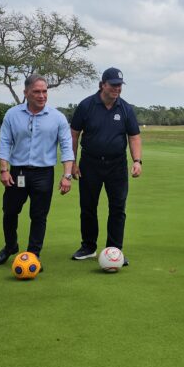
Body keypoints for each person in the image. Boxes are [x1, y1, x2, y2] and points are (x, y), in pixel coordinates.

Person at [0, 75, 75, 266]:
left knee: (38, 215)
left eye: (44, 91)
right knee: (10, 211)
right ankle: (10, 245)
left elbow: (66, 147)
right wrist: (3, 170)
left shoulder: (57, 117)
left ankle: (33, 254)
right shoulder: (13, 115)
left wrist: (67, 176)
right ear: (26, 92)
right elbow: (5, 143)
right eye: (36, 91)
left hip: (43, 174)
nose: (41, 95)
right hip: (18, 172)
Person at [69, 67, 142, 264]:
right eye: (113, 85)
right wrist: (72, 163)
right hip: (90, 163)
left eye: (119, 85)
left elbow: (134, 137)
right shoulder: (86, 105)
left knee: (118, 208)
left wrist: (137, 161)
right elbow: (74, 134)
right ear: (103, 85)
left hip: (116, 165)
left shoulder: (125, 108)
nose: (117, 89)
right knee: (88, 207)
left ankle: (114, 250)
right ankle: (88, 246)